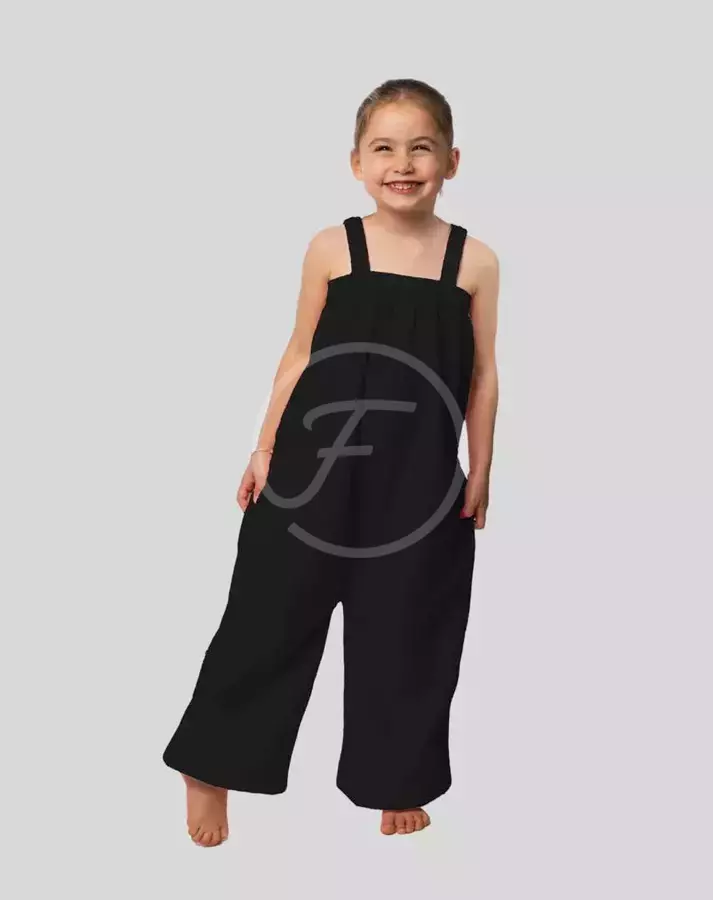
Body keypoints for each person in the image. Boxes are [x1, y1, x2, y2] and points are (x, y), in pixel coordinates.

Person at [163, 77, 500, 845]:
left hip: (420, 480)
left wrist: (480, 468)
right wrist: (264, 447)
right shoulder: (332, 247)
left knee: (409, 625)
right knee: (269, 614)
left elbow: (483, 375)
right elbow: (298, 354)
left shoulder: (474, 262)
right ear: (356, 162)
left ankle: (396, 776)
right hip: (314, 467)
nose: (402, 164)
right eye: (384, 148)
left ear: (452, 160)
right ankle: (211, 765)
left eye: (421, 148)